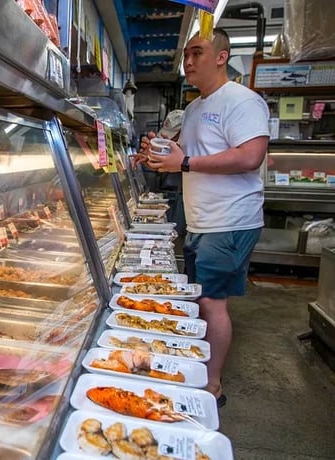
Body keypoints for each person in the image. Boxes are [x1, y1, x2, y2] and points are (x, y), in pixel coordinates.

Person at [138, 28, 270, 407]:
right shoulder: (194, 108)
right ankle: (194, 371)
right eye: (186, 55)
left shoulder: (242, 101)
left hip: (228, 221)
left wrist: (187, 161)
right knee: (197, 297)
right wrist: (160, 154)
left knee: (213, 301)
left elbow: (250, 157)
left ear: (221, 57)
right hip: (199, 219)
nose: (189, 61)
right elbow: (187, 159)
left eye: (198, 52)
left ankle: (211, 387)